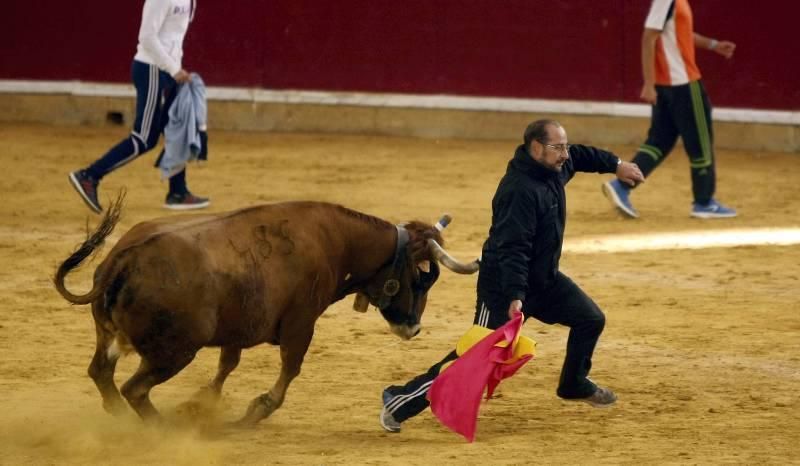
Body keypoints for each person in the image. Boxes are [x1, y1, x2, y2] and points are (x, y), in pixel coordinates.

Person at [380, 119, 645, 433]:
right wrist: (515, 295)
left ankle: (573, 383)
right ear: (536, 148)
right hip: (503, 288)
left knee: (590, 319)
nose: (565, 154)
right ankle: (399, 401)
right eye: (558, 147)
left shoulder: (553, 167)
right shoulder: (519, 191)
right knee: (473, 359)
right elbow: (512, 249)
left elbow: (582, 156)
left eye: (565, 146)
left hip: (543, 281)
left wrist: (616, 165)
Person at [69, 0, 209, 213]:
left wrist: (176, 70)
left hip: (167, 71)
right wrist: (173, 69)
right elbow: (147, 38)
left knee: (175, 128)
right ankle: (89, 176)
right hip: (152, 69)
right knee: (144, 138)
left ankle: (178, 192)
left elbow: (172, 38)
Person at [602, 0, 736, 219]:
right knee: (700, 143)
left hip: (668, 86)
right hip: (683, 84)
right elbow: (649, 37)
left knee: (659, 142)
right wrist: (648, 82)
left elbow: (679, 36)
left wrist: (713, 45)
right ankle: (704, 202)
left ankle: (622, 186)